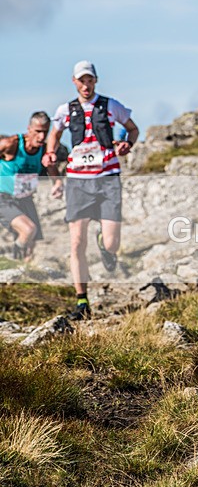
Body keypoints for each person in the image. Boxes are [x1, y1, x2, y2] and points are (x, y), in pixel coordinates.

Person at [43, 61, 139, 320]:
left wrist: (127, 145)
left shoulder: (111, 105)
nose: (86, 85)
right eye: (81, 81)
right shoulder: (65, 110)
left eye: (90, 80)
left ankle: (105, 245)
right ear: (74, 82)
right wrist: (50, 152)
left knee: (112, 243)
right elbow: (54, 135)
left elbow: (133, 129)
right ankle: (82, 300)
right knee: (76, 242)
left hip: (107, 179)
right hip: (78, 181)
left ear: (95, 81)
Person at [0, 112, 51, 261]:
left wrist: (58, 183)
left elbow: (52, 167)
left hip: (26, 198)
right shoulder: (11, 144)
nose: (41, 137)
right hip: (4, 198)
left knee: (31, 243)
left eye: (45, 132)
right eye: (38, 131)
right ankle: (14, 262)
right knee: (28, 229)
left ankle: (23, 270)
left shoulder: (44, 149)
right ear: (29, 129)